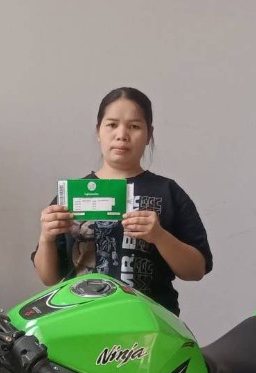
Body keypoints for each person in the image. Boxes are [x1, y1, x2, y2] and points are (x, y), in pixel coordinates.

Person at [31, 87, 213, 316]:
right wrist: (46, 237)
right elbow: (49, 279)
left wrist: (159, 236)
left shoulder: (168, 192)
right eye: (112, 125)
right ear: (98, 131)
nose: (122, 135)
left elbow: (196, 270)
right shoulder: (72, 195)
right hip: (80, 321)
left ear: (149, 135)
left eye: (134, 126)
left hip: (151, 325)